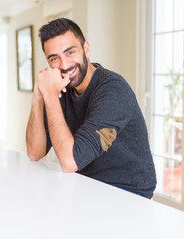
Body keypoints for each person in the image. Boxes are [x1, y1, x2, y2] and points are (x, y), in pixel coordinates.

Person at [26, 18, 156, 199]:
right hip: (86, 186)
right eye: (55, 58)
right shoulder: (62, 88)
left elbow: (70, 161)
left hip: (128, 193)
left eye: (70, 52)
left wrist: (49, 95)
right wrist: (38, 95)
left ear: (86, 49)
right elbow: (34, 152)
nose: (64, 65)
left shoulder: (114, 90)